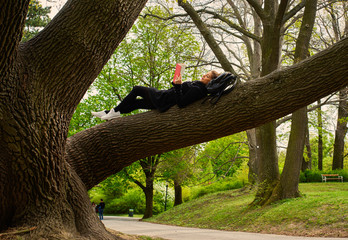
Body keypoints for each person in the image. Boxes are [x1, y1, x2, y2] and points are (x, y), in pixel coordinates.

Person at [92, 70, 220, 120]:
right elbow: (179, 91)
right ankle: (107, 112)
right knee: (136, 103)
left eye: (207, 76)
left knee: (137, 89)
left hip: (163, 99)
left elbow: (181, 103)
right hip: (164, 97)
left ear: (211, 81)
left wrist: (178, 85)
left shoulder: (199, 90)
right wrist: (177, 83)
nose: (203, 75)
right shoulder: (197, 85)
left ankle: (114, 112)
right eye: (205, 74)